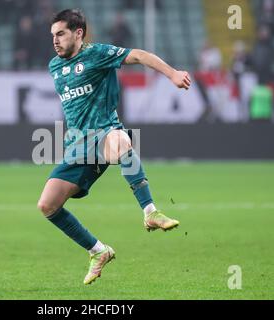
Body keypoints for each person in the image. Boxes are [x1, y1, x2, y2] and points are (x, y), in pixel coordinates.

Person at [37, 9, 191, 285]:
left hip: (105, 134)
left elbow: (141, 55)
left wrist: (172, 74)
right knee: (47, 205)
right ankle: (98, 251)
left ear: (78, 33)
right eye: (52, 35)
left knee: (121, 141)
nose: (55, 40)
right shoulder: (54, 67)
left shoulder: (97, 54)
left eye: (60, 34)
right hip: (76, 147)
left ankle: (150, 212)